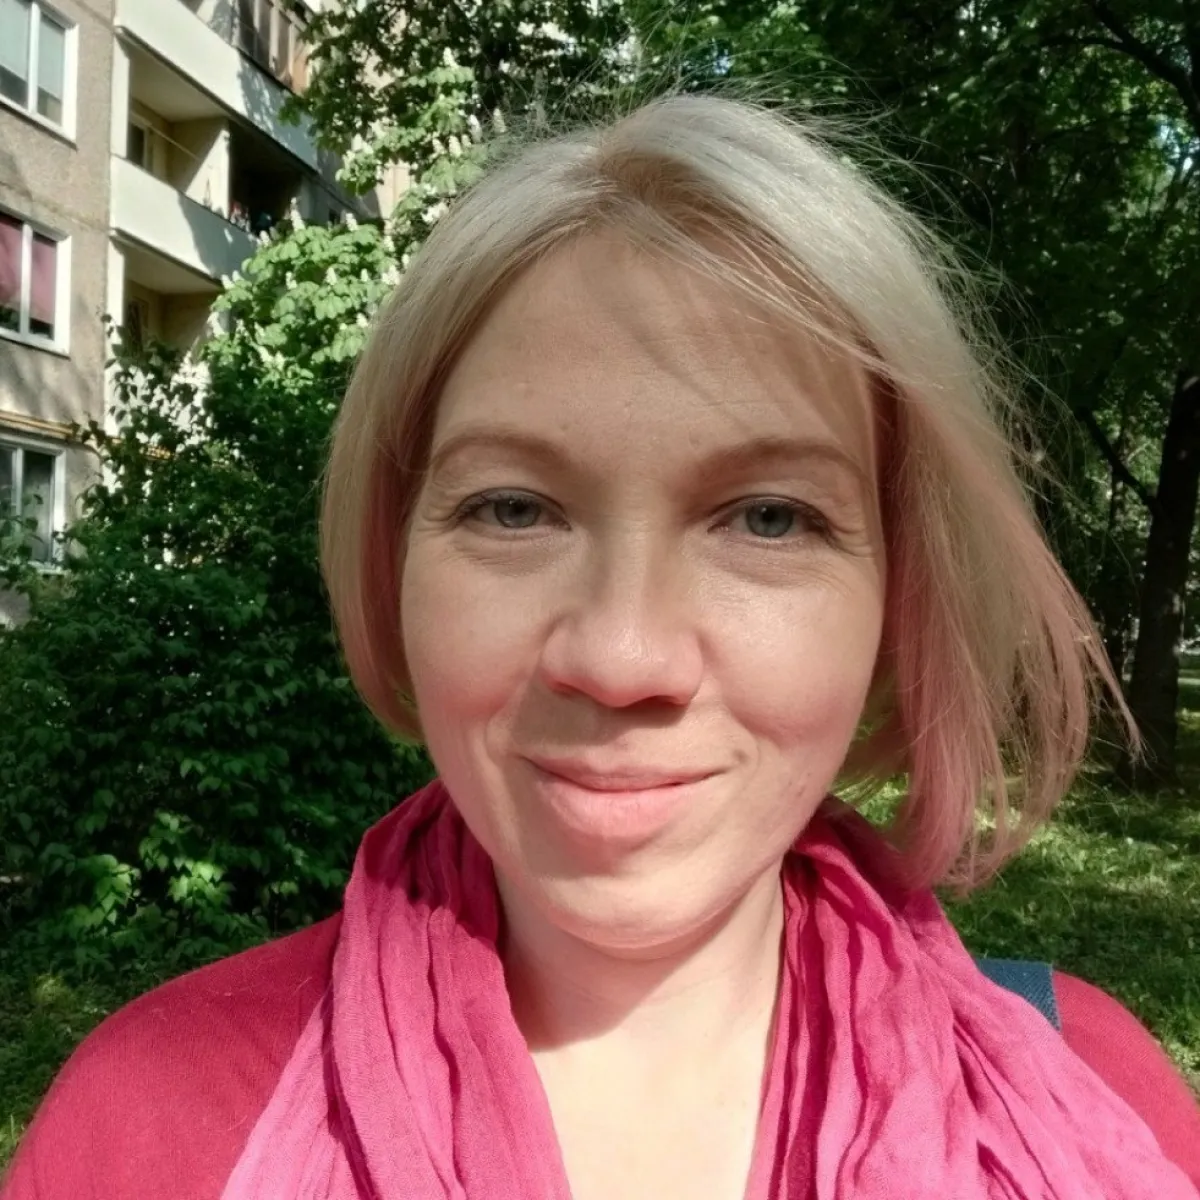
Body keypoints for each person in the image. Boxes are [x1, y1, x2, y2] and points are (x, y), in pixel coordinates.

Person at [5, 93, 1200, 1200]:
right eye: (513, 509)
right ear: (393, 563)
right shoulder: (144, 1133)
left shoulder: (1102, 1104)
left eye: (767, 519)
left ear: (900, 599)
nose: (623, 660)